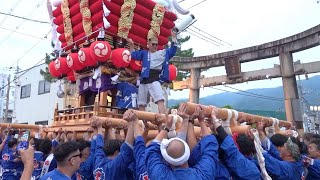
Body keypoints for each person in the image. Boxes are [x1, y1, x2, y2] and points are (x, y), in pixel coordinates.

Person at [145, 104, 219, 179]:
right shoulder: (203, 175)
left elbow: (151, 151)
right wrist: (201, 121)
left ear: (167, 160)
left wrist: (166, 127)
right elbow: (210, 147)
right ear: (187, 154)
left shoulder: (160, 176)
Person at [127, 31, 178, 114]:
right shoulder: (144, 53)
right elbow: (132, 55)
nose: (154, 46)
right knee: (141, 103)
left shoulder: (162, 53)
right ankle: (143, 123)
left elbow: (173, 50)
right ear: (148, 44)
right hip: (144, 79)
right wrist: (132, 45)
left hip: (154, 79)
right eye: (153, 44)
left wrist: (174, 38)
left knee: (160, 99)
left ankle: (163, 120)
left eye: (156, 44)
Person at [91, 114, 134, 180]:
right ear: (116, 153)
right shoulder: (114, 165)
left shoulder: (98, 162)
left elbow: (99, 147)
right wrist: (131, 124)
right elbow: (127, 148)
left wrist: (99, 128)